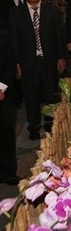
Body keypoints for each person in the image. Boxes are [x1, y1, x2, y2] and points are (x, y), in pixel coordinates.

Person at [8, 0, 66, 140]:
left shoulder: (51, 10)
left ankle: (50, 124)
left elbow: (59, 35)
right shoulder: (16, 13)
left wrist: (62, 56)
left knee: (50, 93)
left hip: (49, 59)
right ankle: (33, 126)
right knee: (31, 95)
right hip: (28, 62)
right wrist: (16, 63)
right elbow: (13, 40)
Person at [0, 27, 20, 185]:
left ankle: (8, 171)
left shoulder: (3, 33)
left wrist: (1, 87)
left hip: (3, 93)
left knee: (6, 131)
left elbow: (9, 62)